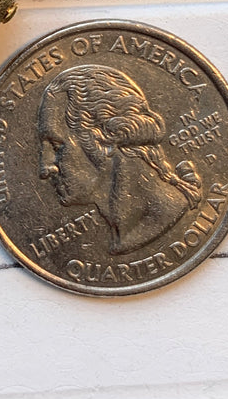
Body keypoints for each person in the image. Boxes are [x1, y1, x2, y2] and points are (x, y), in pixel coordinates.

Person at [38, 64, 202, 255]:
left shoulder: (164, 217)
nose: (45, 168)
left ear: (104, 139)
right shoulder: (127, 236)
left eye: (57, 147)